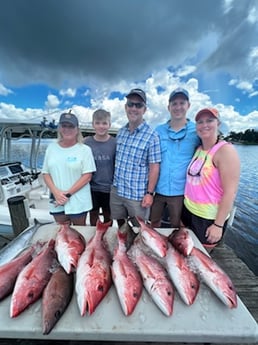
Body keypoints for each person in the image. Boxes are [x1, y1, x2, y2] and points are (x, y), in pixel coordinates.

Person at [181, 108, 240, 251]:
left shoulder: (225, 151)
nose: (204, 125)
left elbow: (230, 193)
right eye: (200, 122)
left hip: (208, 219)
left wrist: (218, 225)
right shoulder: (199, 149)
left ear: (218, 123)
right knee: (185, 254)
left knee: (201, 257)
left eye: (209, 120)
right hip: (188, 211)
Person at [110, 88, 161, 227]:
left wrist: (150, 193)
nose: (134, 108)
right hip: (117, 191)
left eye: (138, 105)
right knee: (120, 225)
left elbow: (154, 167)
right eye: (131, 104)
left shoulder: (152, 136)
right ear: (126, 107)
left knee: (140, 229)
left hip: (137, 195)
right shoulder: (121, 132)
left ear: (144, 109)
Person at [150, 87, 200, 228]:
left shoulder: (196, 130)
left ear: (188, 106)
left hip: (182, 191)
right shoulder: (158, 130)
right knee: (154, 222)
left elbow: (210, 151)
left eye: (181, 103)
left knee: (178, 226)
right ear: (169, 107)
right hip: (158, 189)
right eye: (174, 104)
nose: (178, 107)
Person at [42, 111, 96, 225]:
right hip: (56, 199)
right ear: (59, 128)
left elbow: (87, 176)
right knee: (62, 234)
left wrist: (67, 195)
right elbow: (46, 173)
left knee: (79, 233)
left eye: (71, 126)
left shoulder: (85, 150)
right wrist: (56, 193)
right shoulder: (51, 148)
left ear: (77, 129)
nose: (67, 129)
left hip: (78, 201)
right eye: (64, 126)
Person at [84, 109, 116, 225]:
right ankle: (95, 237)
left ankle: (107, 237)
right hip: (92, 187)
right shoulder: (86, 143)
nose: (101, 126)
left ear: (109, 125)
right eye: (97, 123)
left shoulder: (115, 143)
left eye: (104, 123)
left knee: (109, 215)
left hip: (109, 188)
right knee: (93, 215)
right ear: (93, 124)